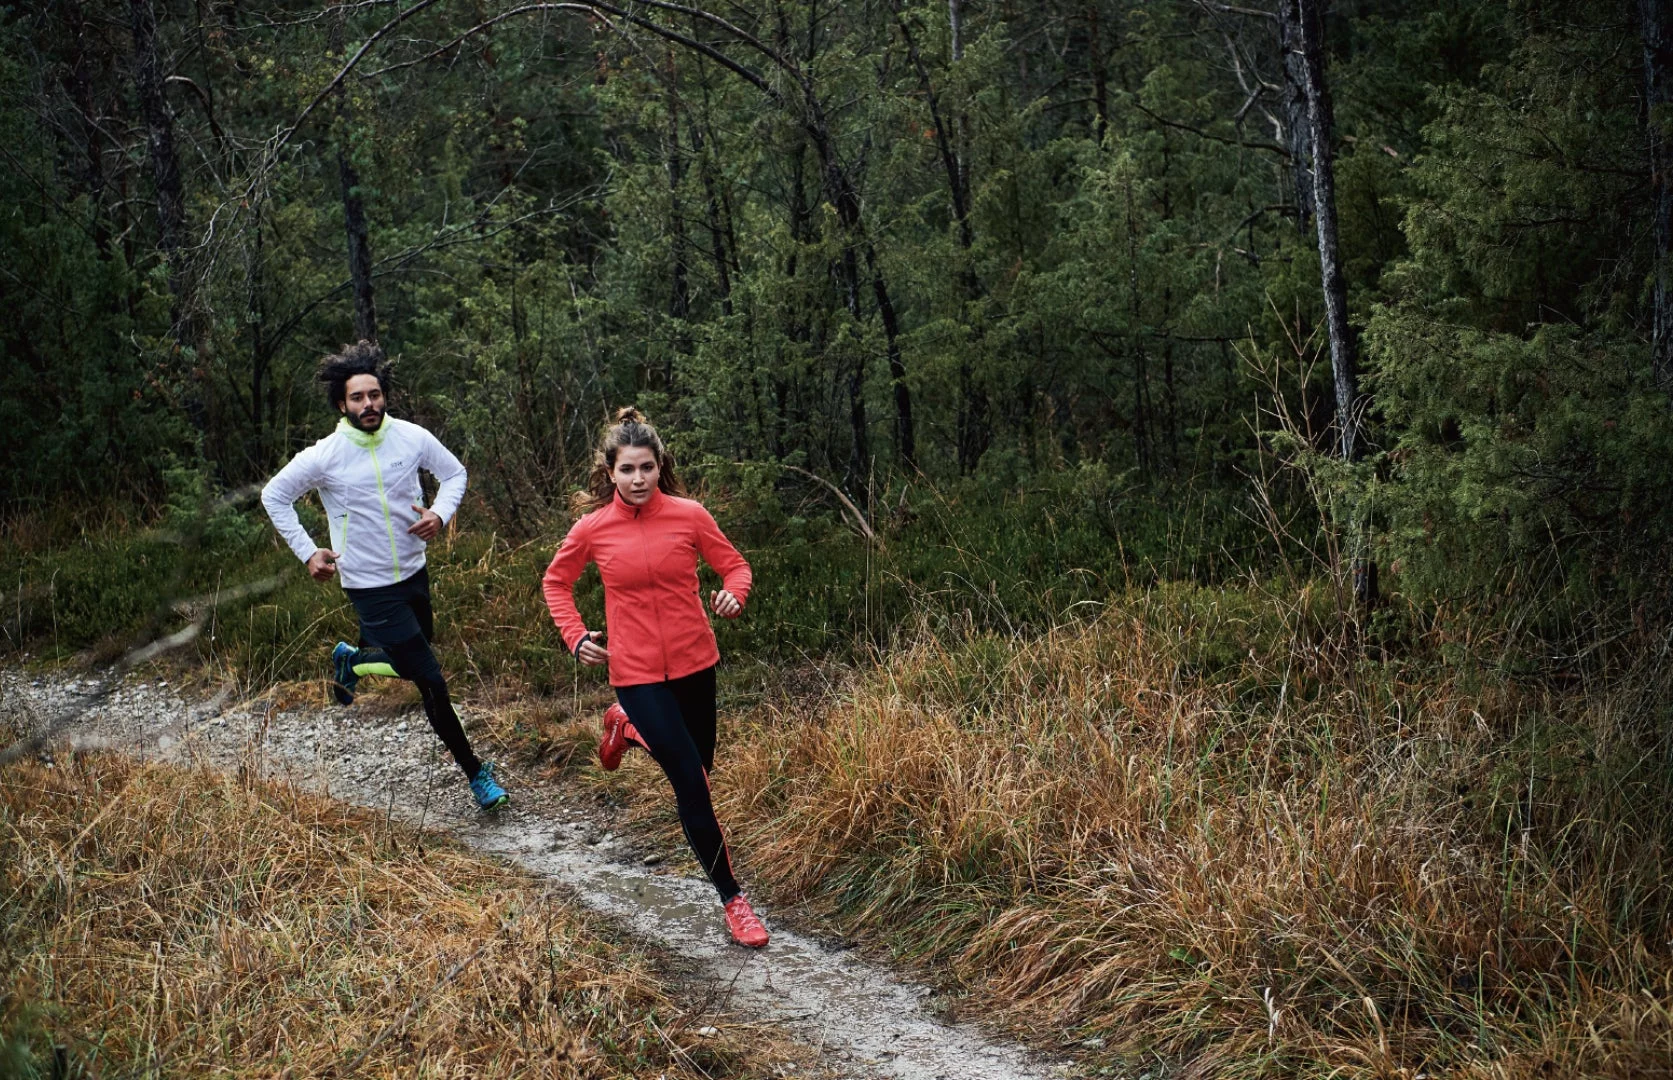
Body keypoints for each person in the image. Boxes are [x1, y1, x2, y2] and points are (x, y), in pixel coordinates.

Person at [541, 408, 768, 948]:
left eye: (646, 468)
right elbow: (557, 582)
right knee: (692, 785)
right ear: (610, 473)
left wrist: (734, 595)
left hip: (695, 664)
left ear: (659, 467)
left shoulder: (689, 516)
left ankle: (627, 727)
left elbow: (734, 566)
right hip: (636, 671)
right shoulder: (593, 529)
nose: (637, 479)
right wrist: (576, 637)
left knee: (702, 771)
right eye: (627, 470)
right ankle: (734, 901)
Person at [260, 340, 508, 810]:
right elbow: (275, 496)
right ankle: (477, 774)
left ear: (384, 396)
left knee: (413, 660)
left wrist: (440, 514)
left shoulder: (411, 437)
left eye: (374, 395)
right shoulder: (325, 455)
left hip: (414, 572)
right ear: (342, 403)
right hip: (367, 584)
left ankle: (351, 662)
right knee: (431, 680)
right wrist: (308, 552)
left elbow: (454, 474)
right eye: (358, 398)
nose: (368, 404)